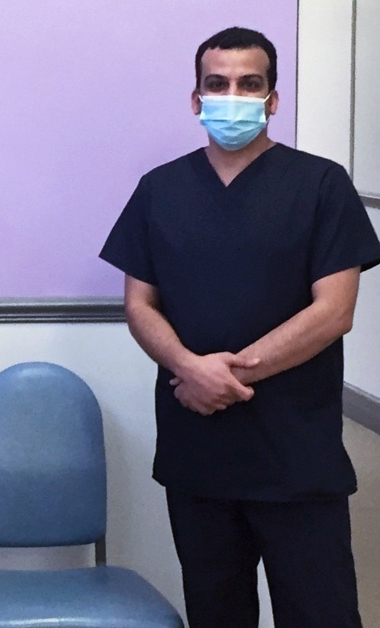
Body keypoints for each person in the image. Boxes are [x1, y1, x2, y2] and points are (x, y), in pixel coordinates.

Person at [99, 26, 379, 628]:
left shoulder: (321, 185)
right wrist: (187, 368)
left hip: (295, 453)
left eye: (250, 84)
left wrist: (225, 375)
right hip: (198, 453)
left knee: (321, 613)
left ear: (273, 98)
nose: (234, 95)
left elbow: (335, 310)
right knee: (216, 613)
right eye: (217, 84)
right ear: (196, 99)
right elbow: (139, 304)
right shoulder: (160, 190)